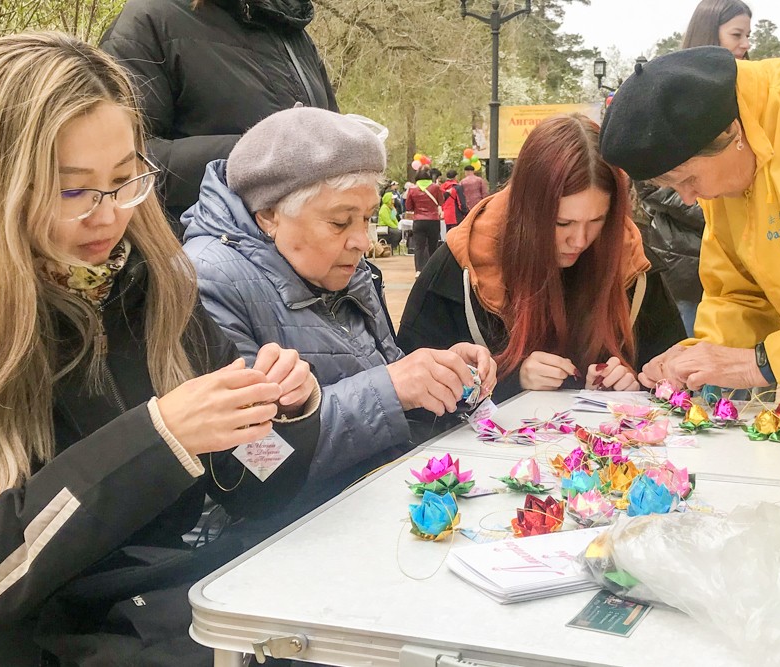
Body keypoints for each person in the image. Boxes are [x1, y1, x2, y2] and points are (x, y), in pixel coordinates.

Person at [0, 33, 322, 666]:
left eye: (125, 180)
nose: (108, 217)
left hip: (138, 624)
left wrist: (284, 415)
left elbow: (252, 491)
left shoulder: (157, 289)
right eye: (72, 189)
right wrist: (157, 441)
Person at [183, 107, 497, 493]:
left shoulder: (348, 268)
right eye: (339, 222)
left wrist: (445, 379)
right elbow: (251, 462)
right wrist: (393, 388)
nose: (362, 241)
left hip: (365, 498)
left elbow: (391, 385)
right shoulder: (208, 279)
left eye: (366, 218)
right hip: (278, 538)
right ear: (268, 215)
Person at [398, 114, 684, 404]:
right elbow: (412, 398)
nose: (580, 240)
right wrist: (512, 380)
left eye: (597, 221)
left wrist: (635, 384)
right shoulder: (461, 266)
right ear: (526, 212)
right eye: (562, 223)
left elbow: (674, 379)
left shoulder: (633, 264)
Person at [600, 46, 780, 398]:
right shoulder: (723, 152)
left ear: (731, 133)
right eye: (670, 187)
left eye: (686, 179)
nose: (687, 198)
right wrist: (698, 357)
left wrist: (759, 363)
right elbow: (737, 293)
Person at [100, 0, 337, 228]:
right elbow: (123, 163)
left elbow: (331, 140)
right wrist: (257, 154)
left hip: (312, 257)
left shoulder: (292, 30)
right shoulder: (149, 21)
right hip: (201, 259)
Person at [641, 0, 753, 336]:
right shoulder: (669, 100)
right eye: (737, 34)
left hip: (745, 260)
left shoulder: (753, 96)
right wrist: (712, 203)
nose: (745, 44)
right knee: (700, 354)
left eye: (749, 35)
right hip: (689, 257)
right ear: (709, 34)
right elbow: (653, 183)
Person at [405, 166, 445, 274]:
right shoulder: (435, 187)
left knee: (419, 247)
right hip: (433, 220)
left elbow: (408, 207)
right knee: (433, 245)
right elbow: (441, 201)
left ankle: (419, 270)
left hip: (419, 220)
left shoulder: (412, 189)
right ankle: (432, 269)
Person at [683, 0, 751, 59]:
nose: (746, 45)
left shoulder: (752, 72)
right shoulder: (676, 73)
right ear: (707, 34)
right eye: (736, 35)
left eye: (747, 36)